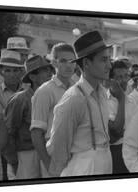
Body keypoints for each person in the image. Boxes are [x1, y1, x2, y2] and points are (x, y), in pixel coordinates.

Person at [46, 31, 113, 177]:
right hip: (83, 167)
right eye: (103, 60)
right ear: (87, 63)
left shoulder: (102, 92)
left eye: (109, 59)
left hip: (104, 162)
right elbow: (58, 147)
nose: (109, 65)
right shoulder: (74, 98)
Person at [3, 55, 54, 179]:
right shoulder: (20, 100)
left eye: (49, 70)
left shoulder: (53, 95)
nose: (50, 74)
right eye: (44, 71)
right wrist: (14, 163)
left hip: (48, 153)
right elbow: (8, 133)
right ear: (32, 77)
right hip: (26, 155)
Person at [30, 43, 76, 177]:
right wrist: (48, 163)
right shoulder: (45, 91)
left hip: (76, 154)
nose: (69, 65)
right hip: (54, 155)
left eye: (72, 61)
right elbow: (36, 132)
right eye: (63, 61)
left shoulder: (77, 89)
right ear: (54, 63)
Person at [0, 49, 24, 180]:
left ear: (21, 72)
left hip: (26, 146)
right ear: (1, 72)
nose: (12, 74)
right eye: (8, 70)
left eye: (15, 70)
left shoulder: (29, 90)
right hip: (4, 148)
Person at [107, 60, 135, 174]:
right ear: (110, 81)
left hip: (131, 153)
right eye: (119, 77)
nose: (124, 81)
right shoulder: (103, 102)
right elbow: (113, 136)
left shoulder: (132, 101)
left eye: (125, 76)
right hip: (114, 154)